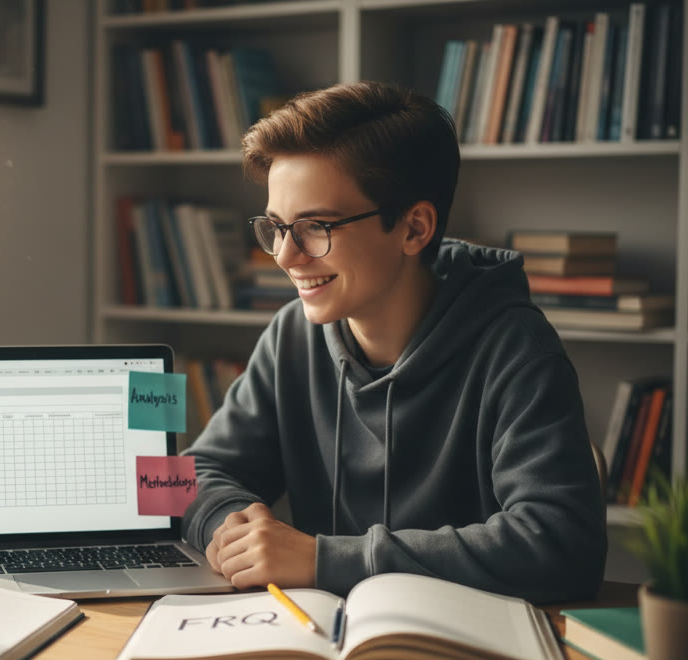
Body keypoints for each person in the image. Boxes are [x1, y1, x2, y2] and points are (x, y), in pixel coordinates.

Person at [182, 81, 606, 604]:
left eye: (316, 226)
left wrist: (324, 560)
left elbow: (563, 545)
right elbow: (189, 474)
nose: (287, 258)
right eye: (276, 227)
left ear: (414, 228)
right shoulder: (292, 335)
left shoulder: (514, 347)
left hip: (465, 655)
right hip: (324, 644)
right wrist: (228, 527)